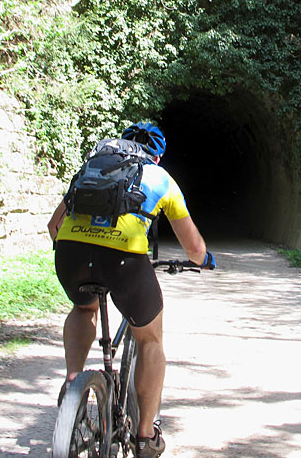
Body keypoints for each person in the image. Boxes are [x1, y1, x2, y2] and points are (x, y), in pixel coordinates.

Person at [47, 122, 216, 458]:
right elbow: (194, 249)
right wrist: (204, 260)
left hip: (70, 256)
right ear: (157, 154)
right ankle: (144, 437)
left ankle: (72, 384)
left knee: (84, 308)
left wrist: (85, 245)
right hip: (124, 261)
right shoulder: (160, 178)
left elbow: (54, 227)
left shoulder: (91, 169)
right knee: (150, 338)